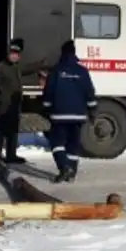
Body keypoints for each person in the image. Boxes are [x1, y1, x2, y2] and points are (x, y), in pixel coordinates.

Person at [0, 38, 45, 164]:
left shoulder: (17, 67)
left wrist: (39, 64)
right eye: (12, 53)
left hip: (14, 105)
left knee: (13, 131)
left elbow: (27, 68)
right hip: (3, 104)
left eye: (17, 54)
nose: (14, 56)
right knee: (1, 129)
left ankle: (11, 155)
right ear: (8, 54)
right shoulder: (0, 68)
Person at [41, 40, 97, 183]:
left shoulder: (56, 71)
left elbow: (49, 92)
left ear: (62, 53)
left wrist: (46, 108)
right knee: (73, 144)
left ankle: (64, 167)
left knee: (56, 143)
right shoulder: (82, 71)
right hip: (78, 115)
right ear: (73, 53)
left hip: (59, 115)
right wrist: (92, 110)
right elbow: (89, 92)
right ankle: (71, 172)